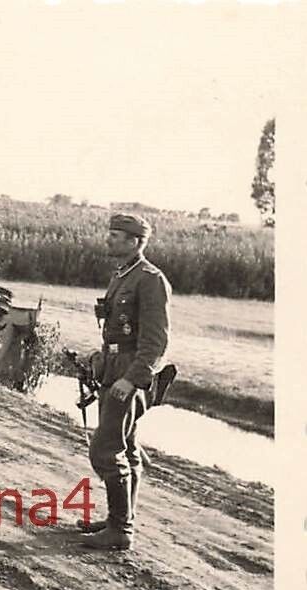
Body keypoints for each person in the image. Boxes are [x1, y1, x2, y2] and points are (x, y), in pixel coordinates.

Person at [79, 213, 172, 551]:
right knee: (127, 447)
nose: (110, 240)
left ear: (135, 242)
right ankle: (120, 519)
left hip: (130, 372)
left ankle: (120, 530)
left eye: (117, 236)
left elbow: (156, 340)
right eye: (110, 234)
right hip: (114, 365)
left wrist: (133, 380)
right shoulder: (123, 274)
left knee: (105, 448)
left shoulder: (150, 279)